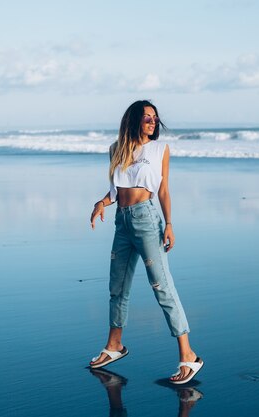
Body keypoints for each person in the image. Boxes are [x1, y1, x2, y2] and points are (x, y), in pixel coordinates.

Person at [89, 100, 203, 385]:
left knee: (162, 287)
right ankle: (114, 346)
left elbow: (163, 189)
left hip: (147, 221)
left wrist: (170, 224)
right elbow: (116, 190)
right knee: (117, 287)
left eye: (155, 118)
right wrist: (101, 202)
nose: (153, 122)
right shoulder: (117, 150)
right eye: (147, 118)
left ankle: (189, 356)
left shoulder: (160, 150)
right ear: (133, 121)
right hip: (122, 222)